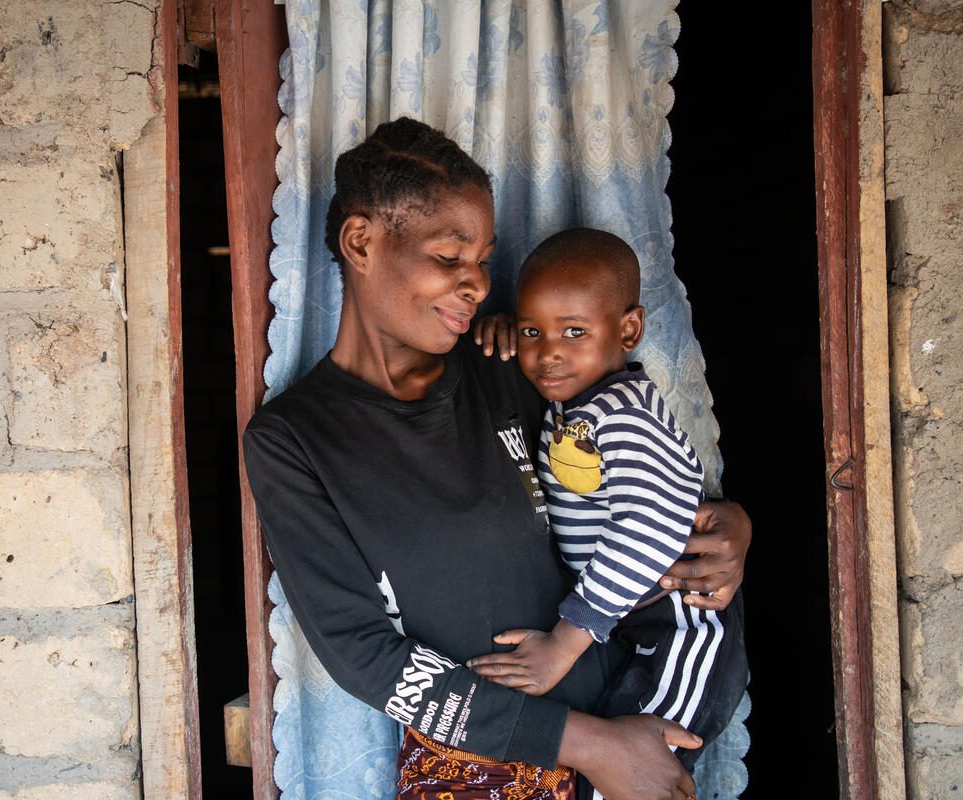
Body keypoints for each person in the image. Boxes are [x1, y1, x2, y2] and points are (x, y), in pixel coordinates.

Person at [242, 117, 750, 800]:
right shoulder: (297, 440)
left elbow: (632, 477)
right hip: (479, 764)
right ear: (361, 241)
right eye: (450, 257)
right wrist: (591, 746)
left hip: (636, 718)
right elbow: (365, 657)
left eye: (483, 260)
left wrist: (728, 524)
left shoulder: (512, 366)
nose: (477, 283)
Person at [465, 230, 748, 785]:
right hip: (632, 622)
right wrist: (503, 333)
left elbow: (648, 526)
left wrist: (566, 642)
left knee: (645, 772)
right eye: (532, 332)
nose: (549, 352)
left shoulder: (619, 414)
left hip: (680, 627)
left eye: (575, 331)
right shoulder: (576, 404)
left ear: (628, 331)